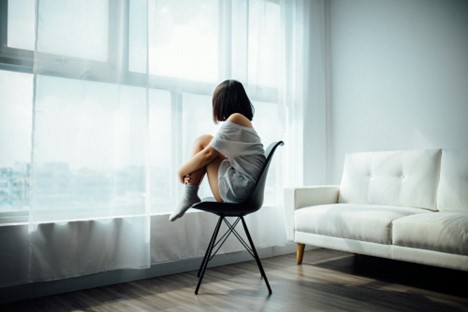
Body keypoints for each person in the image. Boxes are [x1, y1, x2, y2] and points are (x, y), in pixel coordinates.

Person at [169, 80, 265, 222]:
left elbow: (209, 154)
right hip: (245, 190)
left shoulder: (236, 118)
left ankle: (189, 195)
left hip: (239, 191)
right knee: (205, 141)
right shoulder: (242, 122)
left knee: (203, 142)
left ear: (222, 102)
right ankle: (189, 195)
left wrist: (181, 171)